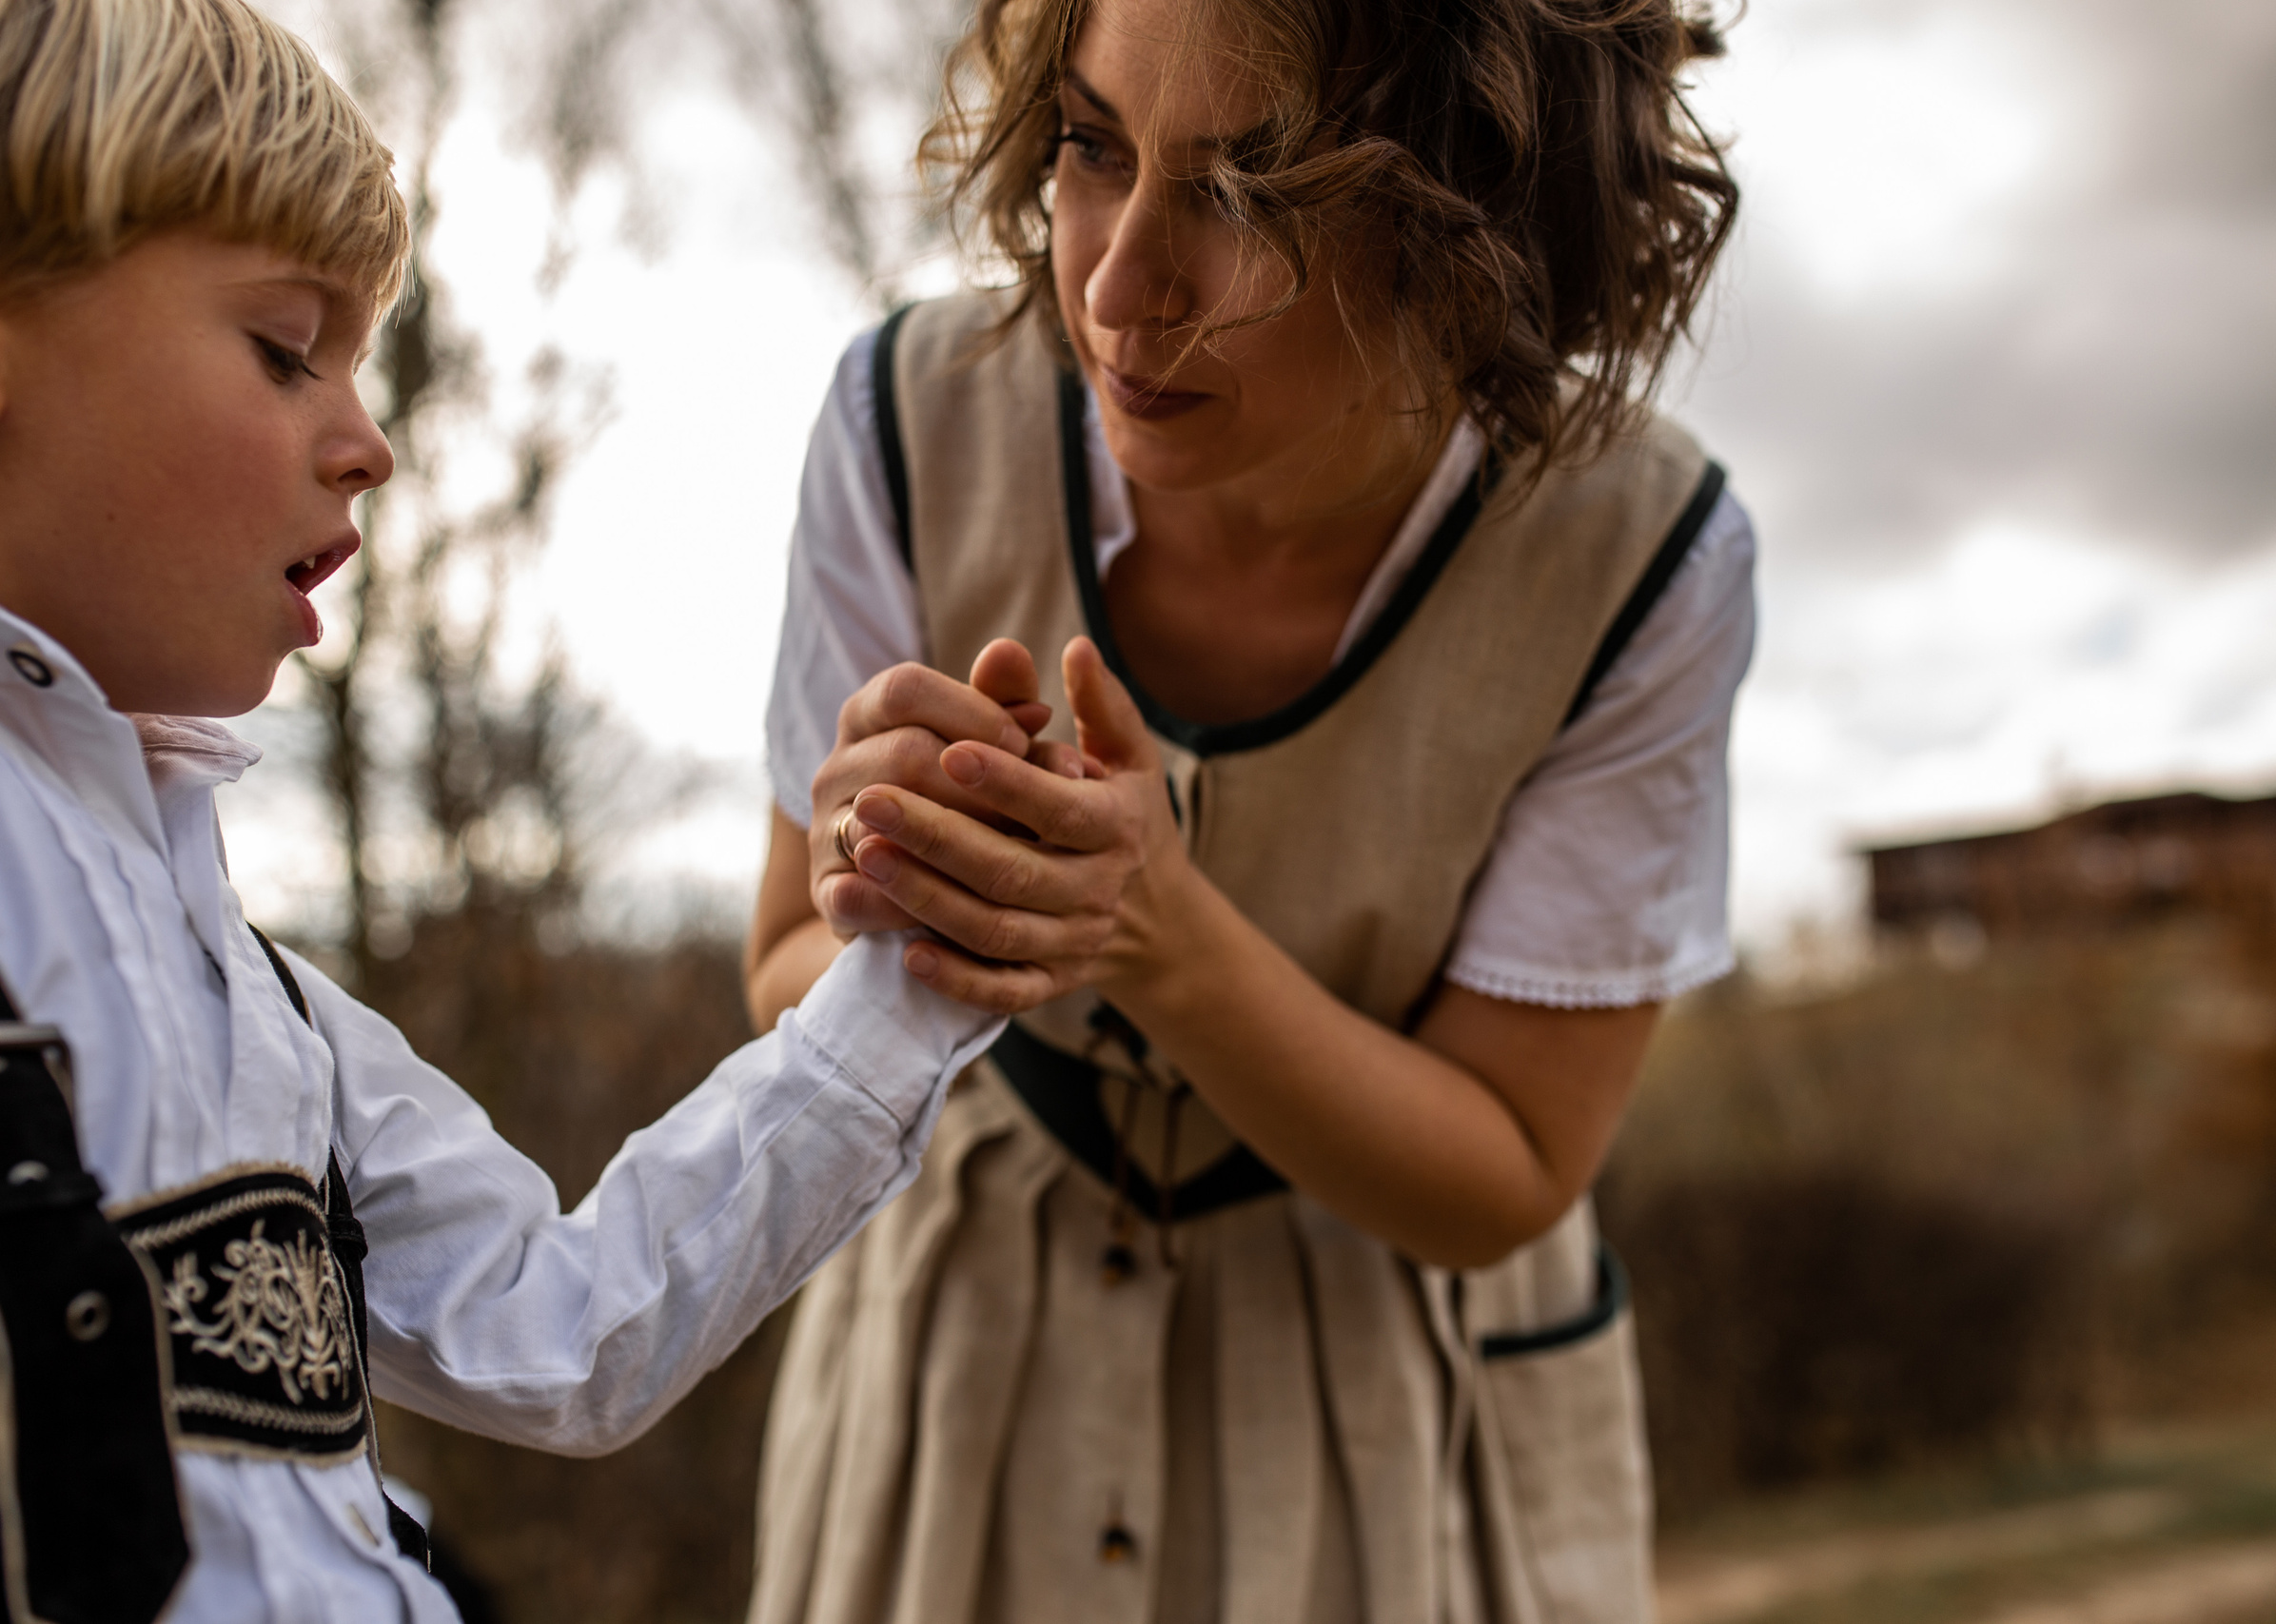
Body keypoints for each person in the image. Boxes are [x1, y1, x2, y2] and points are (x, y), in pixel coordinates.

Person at [0, 1, 1012, 1618]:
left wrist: (932, 963)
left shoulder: (237, 972)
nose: (367, 445)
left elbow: (563, 1328)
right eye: (282, 349)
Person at [741, 0, 1754, 1619]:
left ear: (1475, 225)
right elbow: (787, 961)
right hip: (971, 1401)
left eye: (1256, 187)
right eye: (1091, 145)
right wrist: (916, 901)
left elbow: (1505, 1167)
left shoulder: (1641, 559)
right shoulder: (907, 422)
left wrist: (1156, 934)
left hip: (1392, 1415)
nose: (1119, 284)